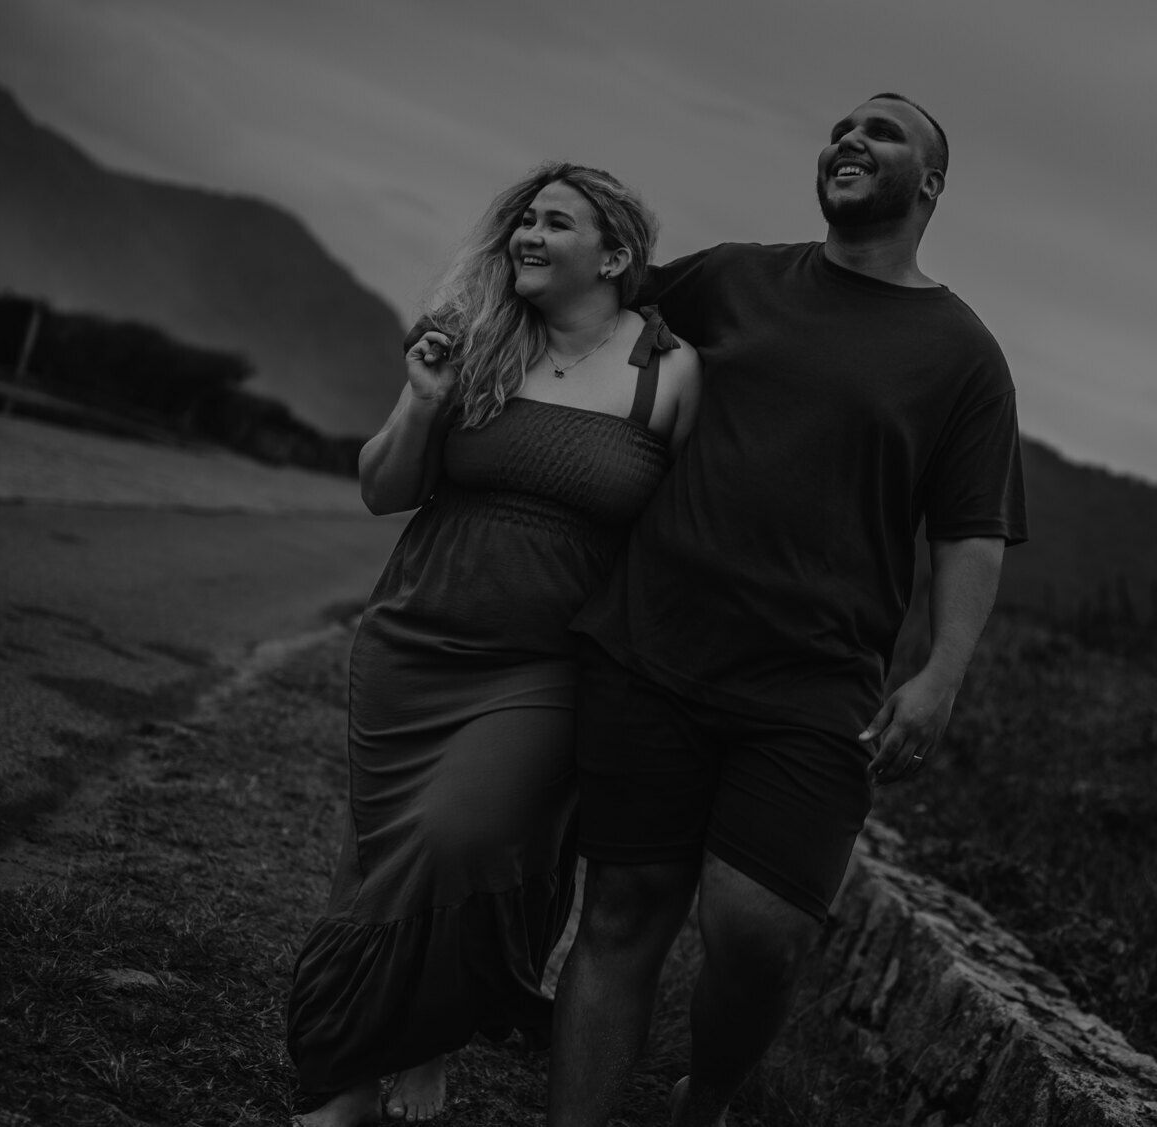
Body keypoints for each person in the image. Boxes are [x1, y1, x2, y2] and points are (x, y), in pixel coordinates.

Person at [549, 95, 1026, 1127]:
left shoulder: (964, 355)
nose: (850, 137)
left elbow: (970, 531)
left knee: (760, 935)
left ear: (930, 185)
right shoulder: (733, 278)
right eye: (842, 126)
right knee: (621, 915)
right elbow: (597, 306)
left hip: (813, 689)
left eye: (883, 131)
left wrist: (942, 674)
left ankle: (705, 1102)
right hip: (651, 646)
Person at [285, 162, 700, 1127]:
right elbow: (384, 488)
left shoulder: (668, 373)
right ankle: (349, 1086)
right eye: (523, 220)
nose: (527, 235)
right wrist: (426, 398)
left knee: (460, 840)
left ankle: (420, 1036)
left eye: (555, 223)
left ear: (615, 256)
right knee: (376, 856)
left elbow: (686, 539)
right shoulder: (477, 342)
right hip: (414, 635)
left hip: (549, 665)